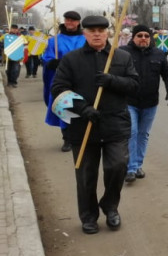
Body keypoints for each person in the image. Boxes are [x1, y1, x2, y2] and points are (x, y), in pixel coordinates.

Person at [51, 15, 139, 234]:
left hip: (115, 124)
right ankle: (88, 215)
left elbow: (134, 85)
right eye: (92, 31)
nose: (97, 34)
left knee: (117, 166)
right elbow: (58, 88)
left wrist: (112, 81)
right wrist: (82, 108)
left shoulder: (121, 57)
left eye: (101, 30)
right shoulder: (72, 59)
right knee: (86, 175)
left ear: (108, 32)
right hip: (83, 127)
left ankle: (110, 206)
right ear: (85, 34)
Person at [119, 25, 168, 183]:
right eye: (140, 35)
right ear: (133, 37)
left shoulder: (158, 54)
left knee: (143, 134)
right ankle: (130, 169)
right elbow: (115, 74)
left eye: (146, 35)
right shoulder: (124, 53)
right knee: (132, 132)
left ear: (150, 38)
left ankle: (138, 165)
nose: (143, 38)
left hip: (150, 102)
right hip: (129, 101)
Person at [42, 11, 87, 152]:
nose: (69, 23)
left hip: (81, 79)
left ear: (78, 22)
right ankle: (67, 138)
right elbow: (46, 58)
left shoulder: (85, 39)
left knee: (81, 106)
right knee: (63, 106)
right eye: (67, 20)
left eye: (73, 20)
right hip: (62, 79)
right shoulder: (54, 40)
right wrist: (52, 63)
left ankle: (80, 137)